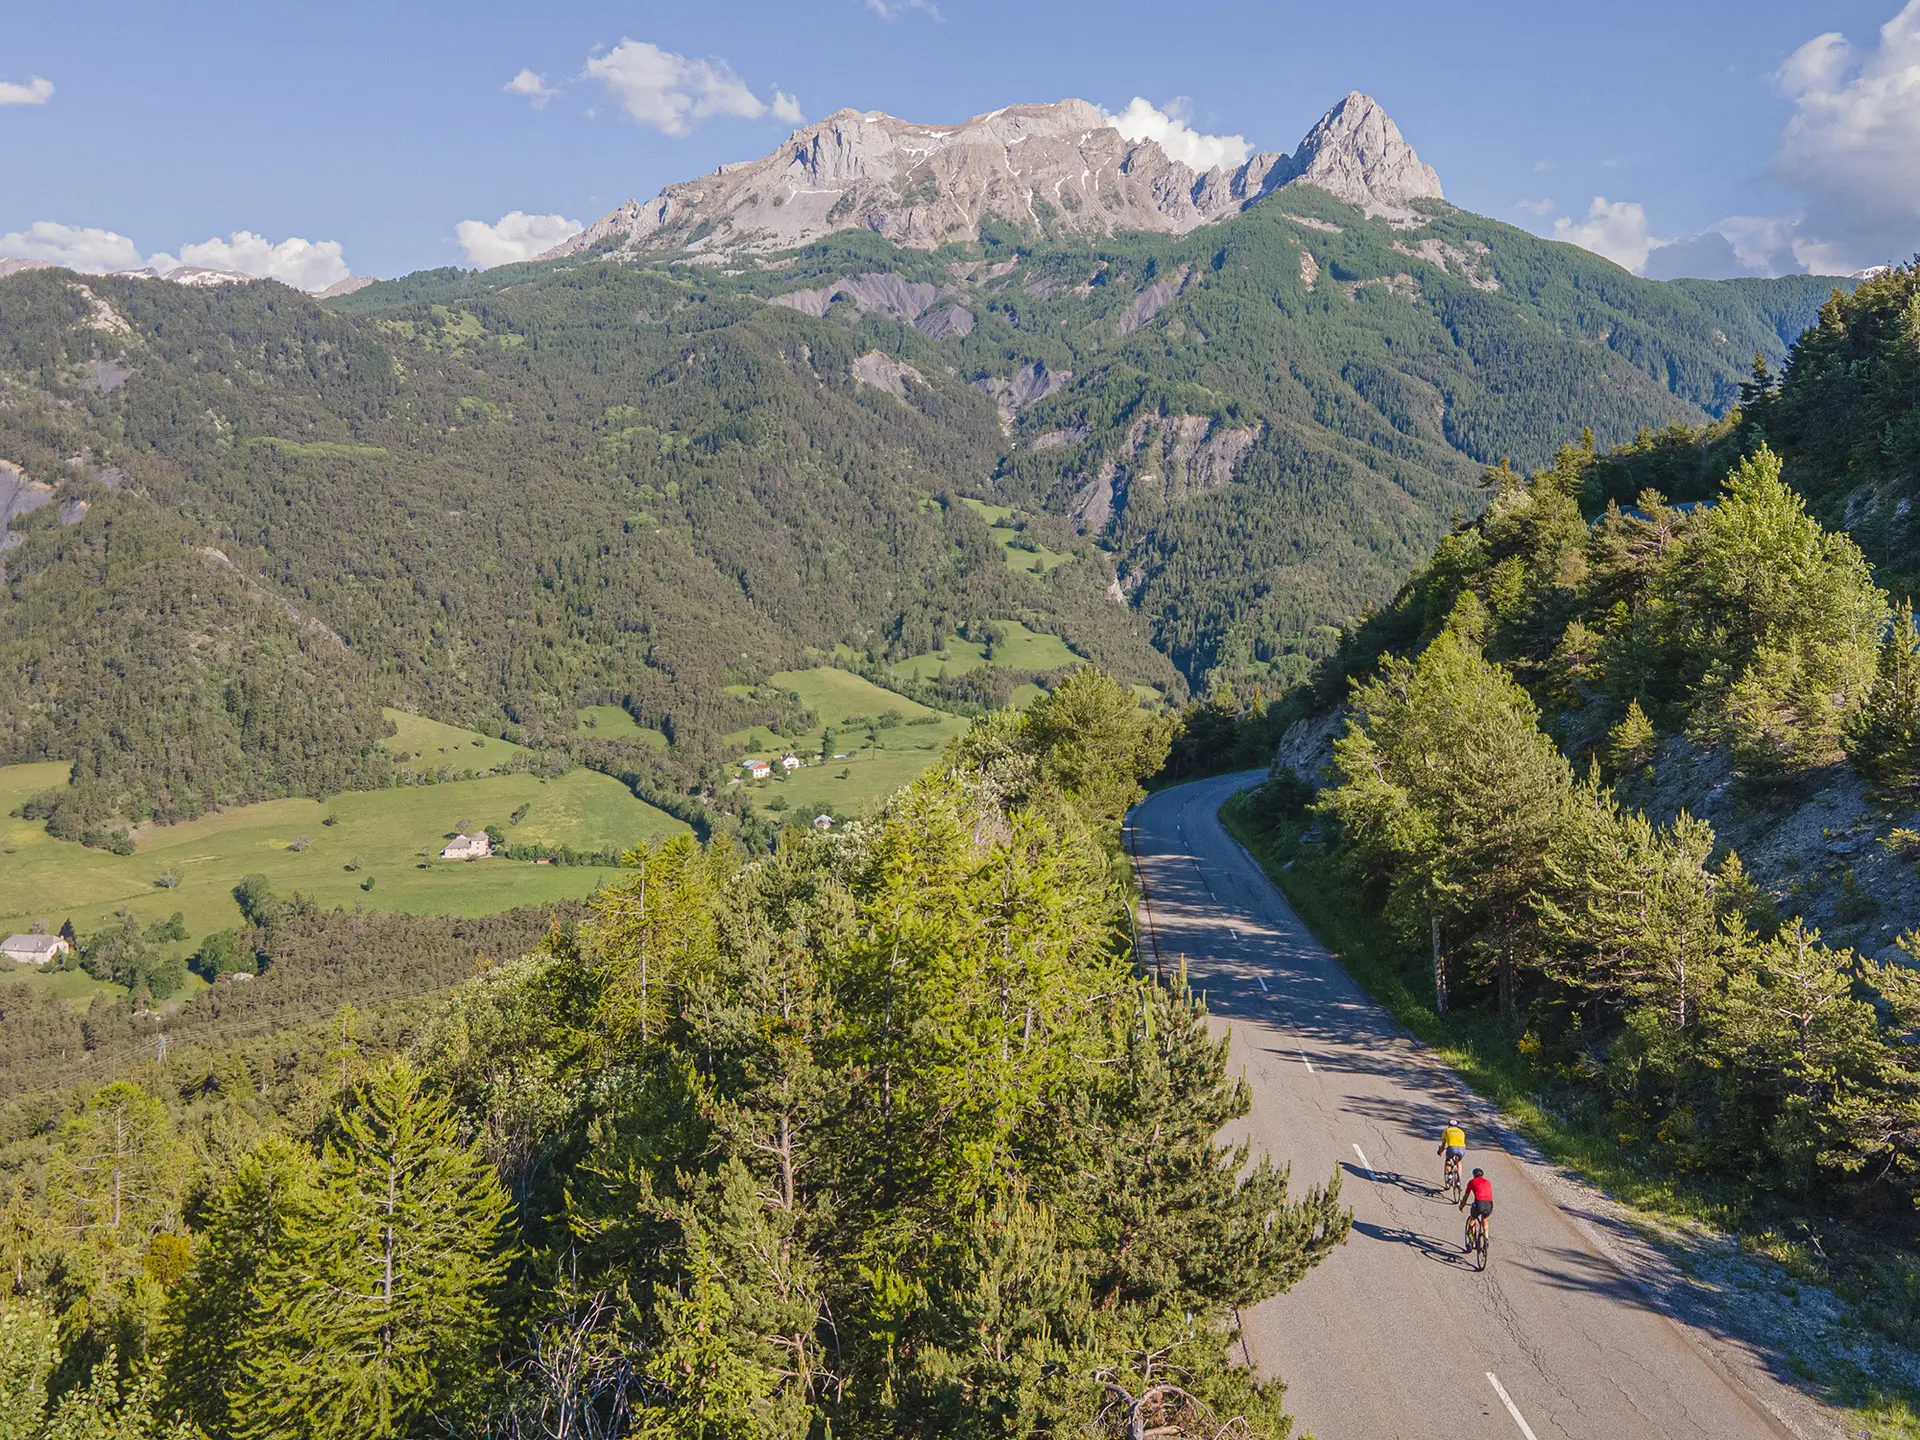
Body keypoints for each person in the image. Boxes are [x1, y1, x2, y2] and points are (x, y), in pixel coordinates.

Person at [1459, 1167, 1493, 1251]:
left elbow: (1466, 1196)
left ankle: (1471, 1237)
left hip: (1479, 1203)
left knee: (1472, 1218)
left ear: (1474, 1175)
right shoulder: (1488, 1182)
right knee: (1484, 1218)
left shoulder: (1472, 1182)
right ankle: (1486, 1237)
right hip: (1489, 1204)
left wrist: (1462, 1205)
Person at [1437, 1120, 1466, 1186]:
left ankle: (1449, 1174)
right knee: (1458, 1162)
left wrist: (1440, 1152)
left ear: (1449, 1125)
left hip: (1452, 1147)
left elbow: (1443, 1145)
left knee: (1448, 1160)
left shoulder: (1446, 1131)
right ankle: (1458, 1179)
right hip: (1462, 1148)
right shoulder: (1461, 1131)